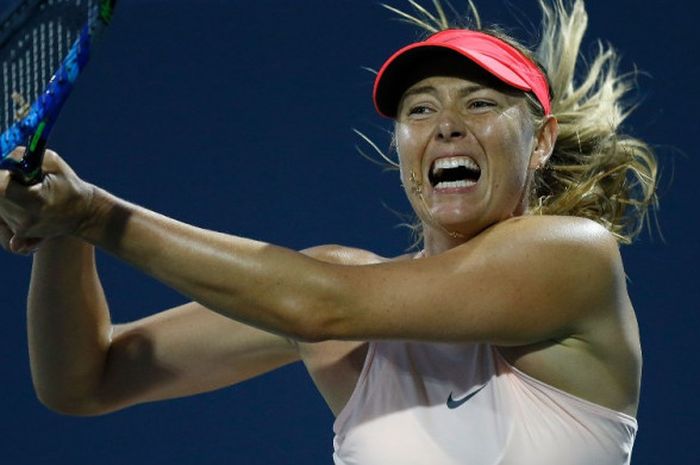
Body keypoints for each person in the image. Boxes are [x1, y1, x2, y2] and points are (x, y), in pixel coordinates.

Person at [0, 1, 657, 464]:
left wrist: (90, 211)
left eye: (481, 102)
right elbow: (83, 379)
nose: (446, 125)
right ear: (403, 144)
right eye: (420, 108)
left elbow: (319, 306)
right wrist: (63, 234)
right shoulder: (338, 296)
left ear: (541, 140)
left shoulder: (575, 257)